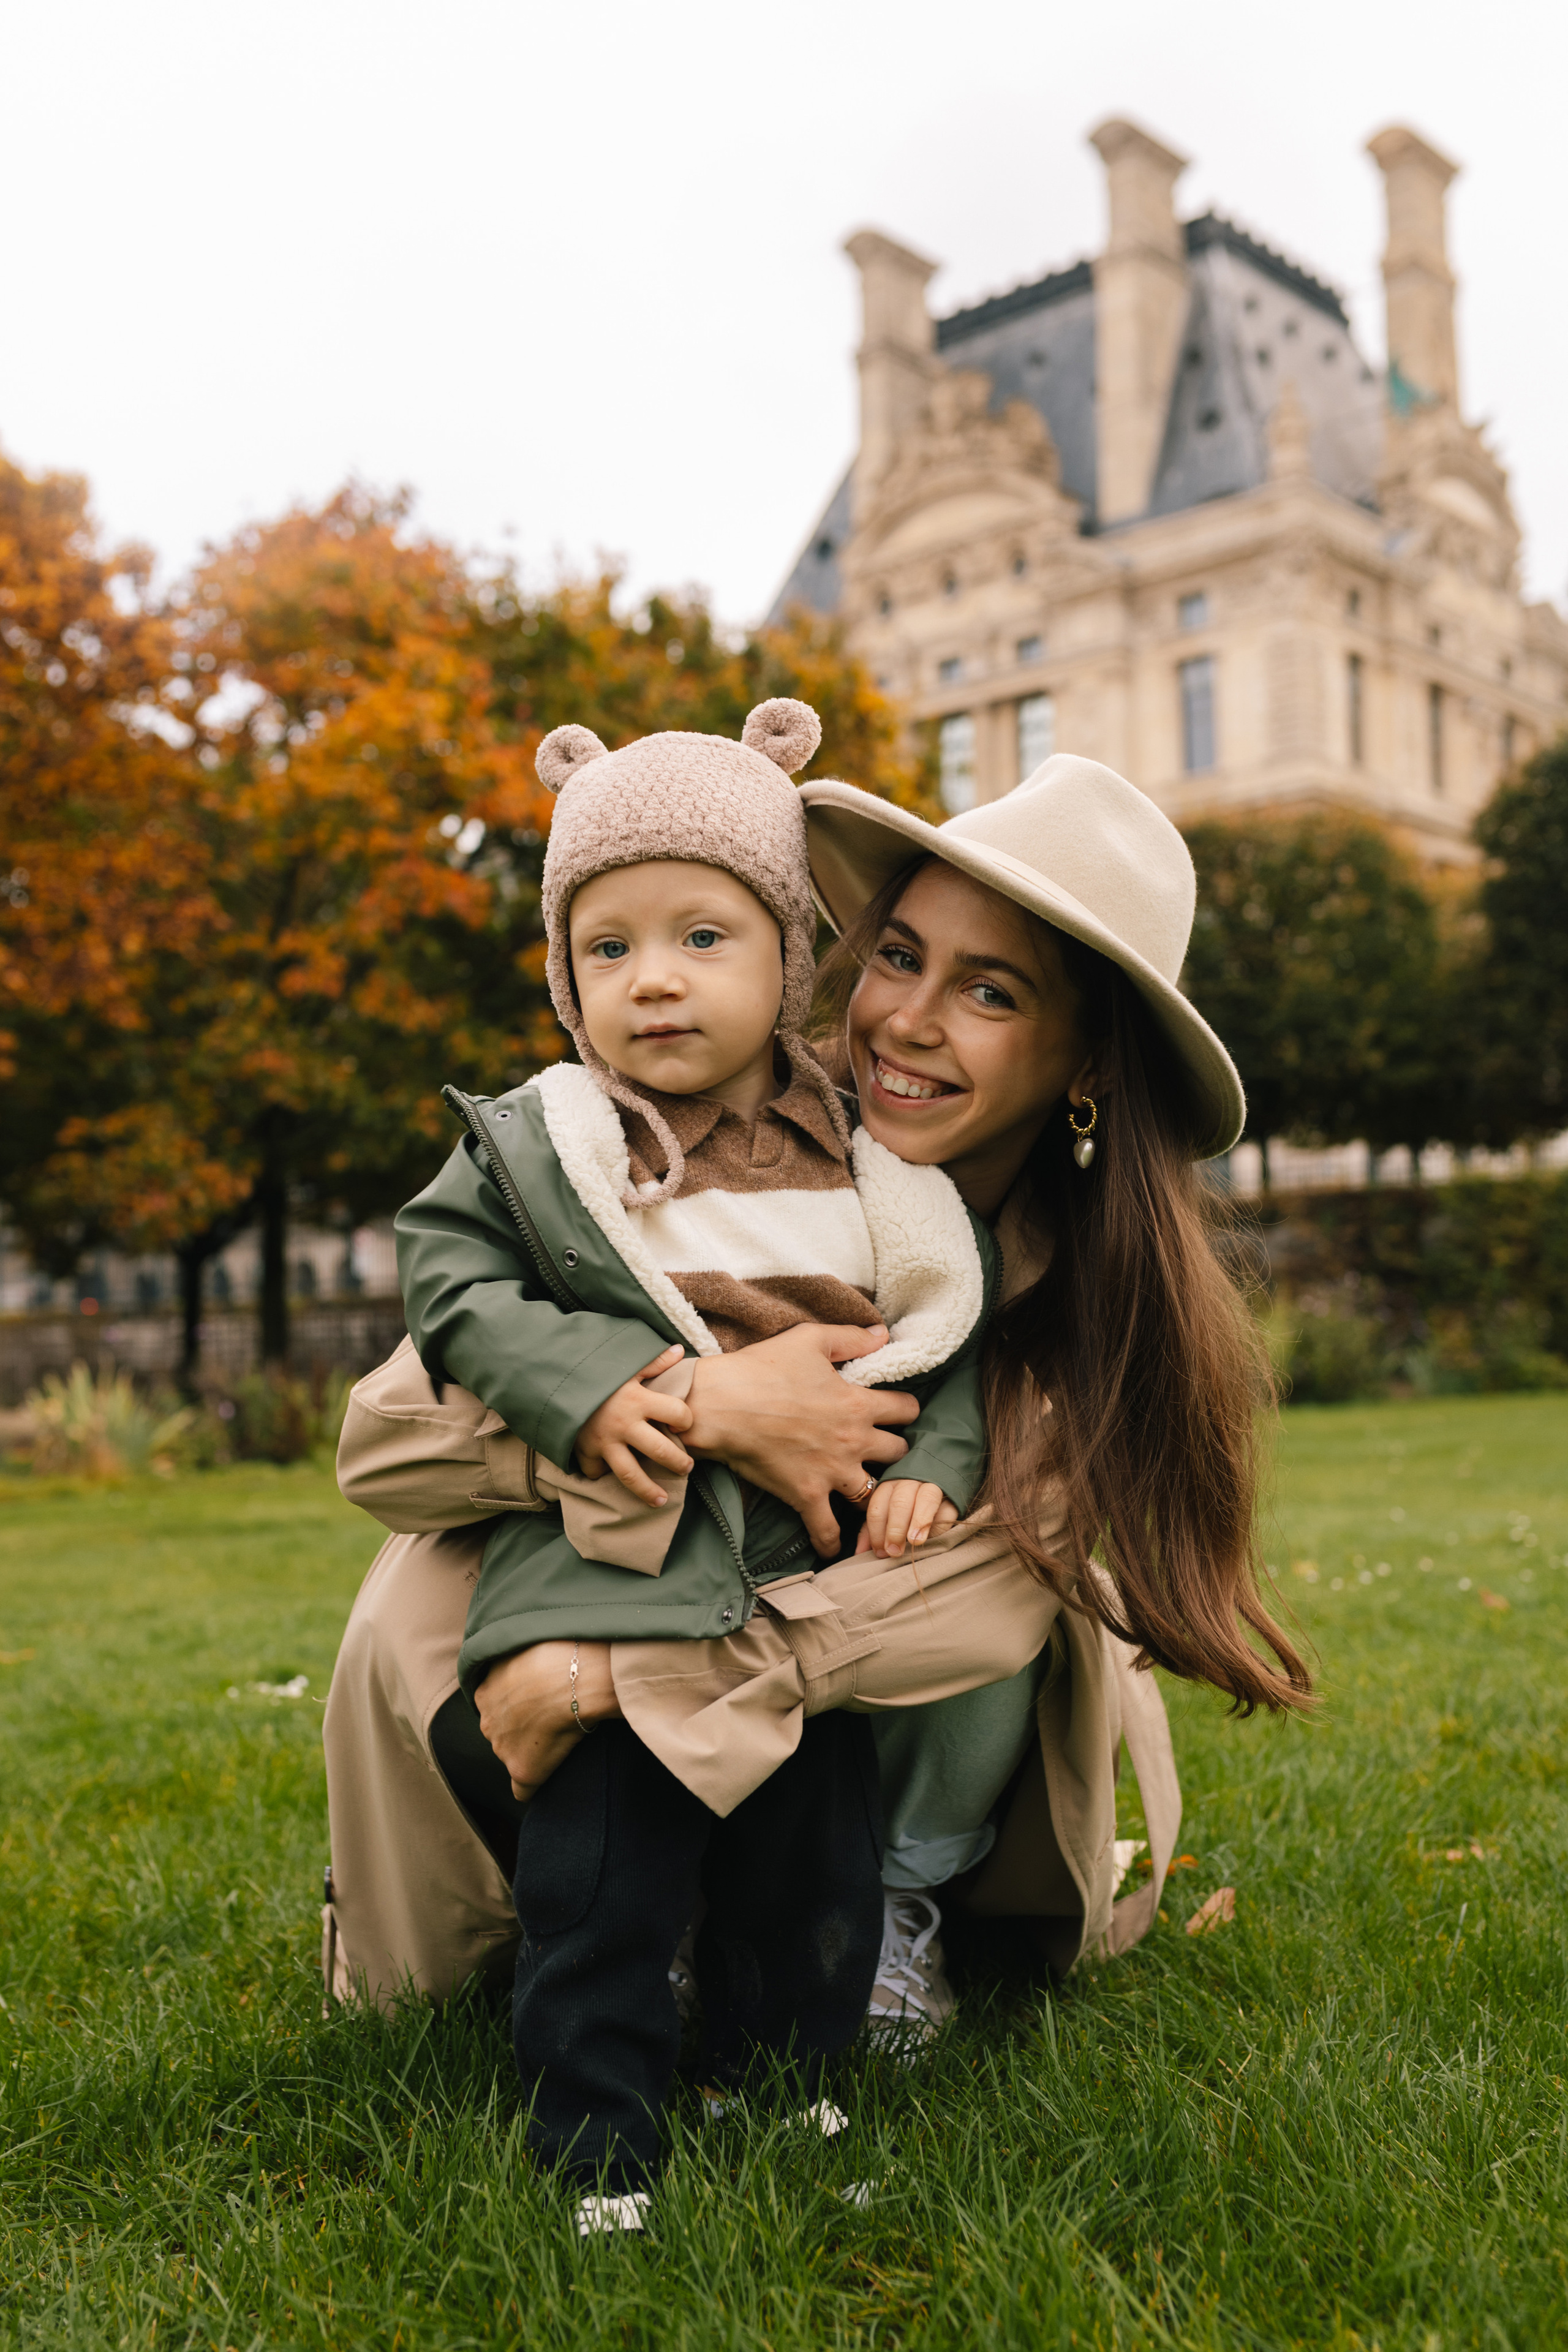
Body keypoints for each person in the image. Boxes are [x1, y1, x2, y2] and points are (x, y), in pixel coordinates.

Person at [324, 750, 1310, 2207]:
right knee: (434, 1613)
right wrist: (703, 1403)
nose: (905, 1019)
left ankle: (880, 1910)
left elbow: (985, 1599)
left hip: (844, 1695)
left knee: (964, 1558)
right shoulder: (688, 1136)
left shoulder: (1061, 1285)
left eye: (992, 991)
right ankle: (620, 1902)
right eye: (897, 955)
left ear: (1087, 1061)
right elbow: (384, 1443)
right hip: (595, 1579)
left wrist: (617, 1681)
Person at [385, 697, 1000, 2220]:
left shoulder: (855, 1149)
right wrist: (597, 1384)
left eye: (701, 939)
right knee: (602, 1885)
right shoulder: (546, 1146)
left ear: (789, 959)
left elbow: (937, 1328)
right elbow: (448, 1282)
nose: (652, 980)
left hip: (801, 1581)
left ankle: (782, 2087)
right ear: (564, 978)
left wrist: (933, 1457)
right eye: (608, 949)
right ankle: (599, 2150)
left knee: (812, 1880)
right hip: (617, 1577)